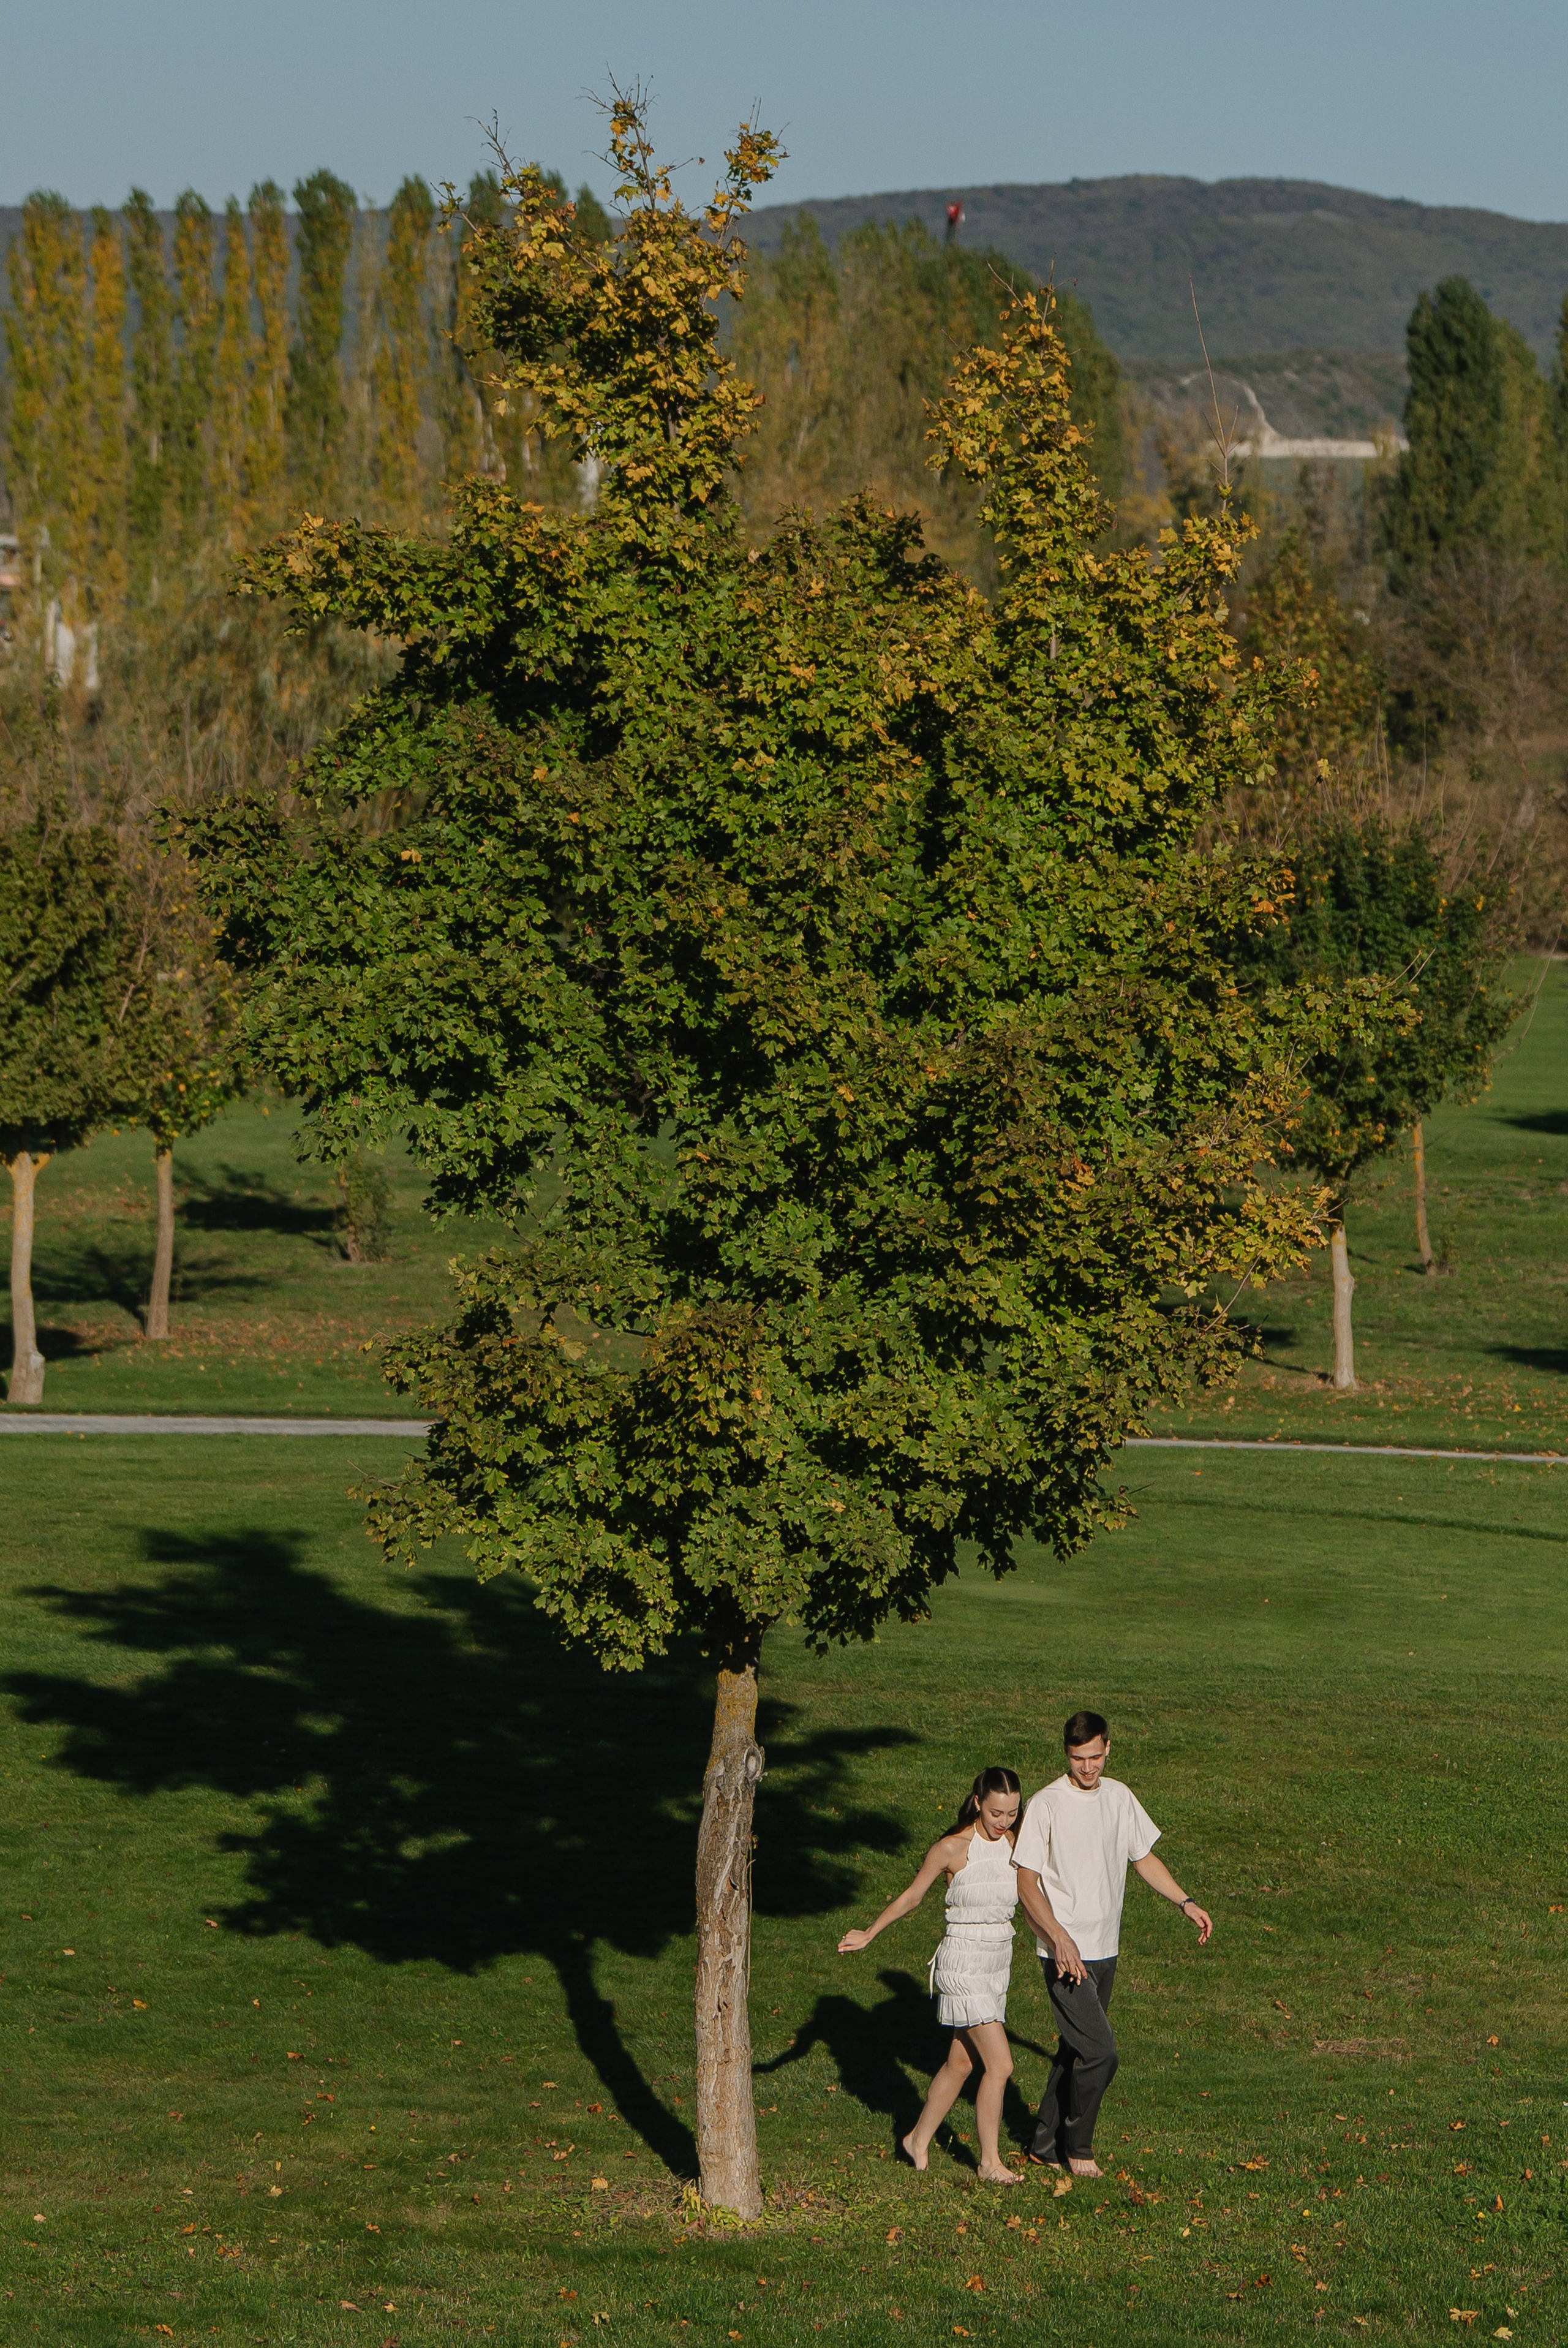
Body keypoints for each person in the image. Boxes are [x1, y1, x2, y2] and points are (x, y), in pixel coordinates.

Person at [1012, 1710, 1212, 2179]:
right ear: (1067, 1753)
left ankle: (1043, 2141)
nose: (1088, 1767)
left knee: (1075, 2048)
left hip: (1106, 1948)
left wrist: (1186, 1901)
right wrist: (1058, 1937)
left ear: (1108, 1749)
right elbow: (1026, 1882)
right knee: (1101, 2051)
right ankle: (1078, 2147)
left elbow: (1142, 1857)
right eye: (1079, 1758)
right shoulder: (1047, 1803)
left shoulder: (1120, 1797)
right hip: (1066, 1953)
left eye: (1096, 1756)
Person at [838, 1767, 1023, 2184]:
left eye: (1012, 1812)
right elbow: (912, 1895)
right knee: (1001, 2064)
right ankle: (989, 2161)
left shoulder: (1014, 1842)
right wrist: (869, 1932)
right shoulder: (952, 1848)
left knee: (960, 2062)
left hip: (998, 1962)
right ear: (978, 1801)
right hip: (962, 1963)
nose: (1004, 1821)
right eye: (997, 1812)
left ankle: (917, 2139)